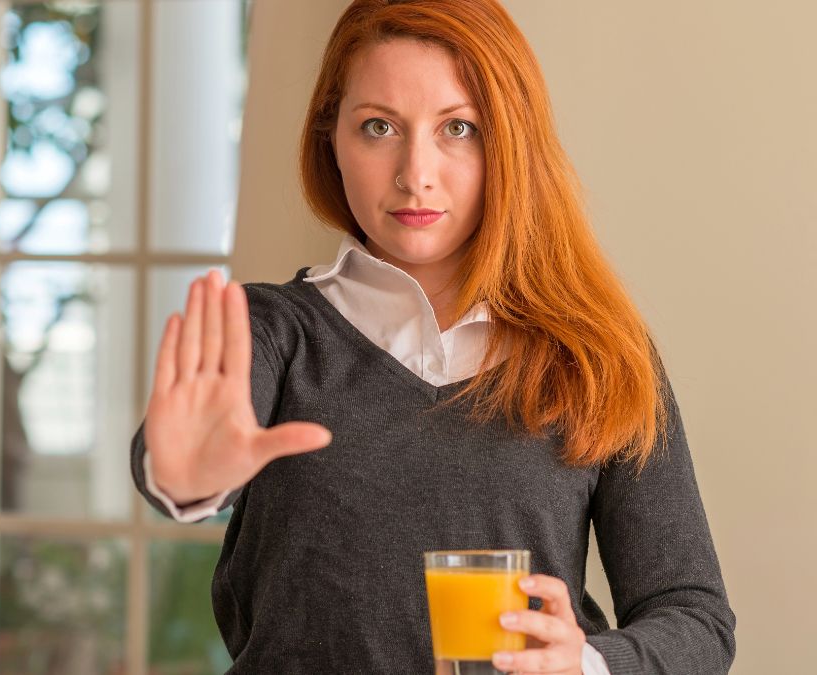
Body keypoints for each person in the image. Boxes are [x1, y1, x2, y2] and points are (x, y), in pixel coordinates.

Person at [129, 0, 735, 673]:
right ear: (331, 138)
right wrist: (181, 477)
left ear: (510, 139)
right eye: (379, 126)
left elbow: (695, 619)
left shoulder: (599, 358)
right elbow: (180, 455)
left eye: (458, 128)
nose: (415, 172)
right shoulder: (266, 331)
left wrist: (586, 662)